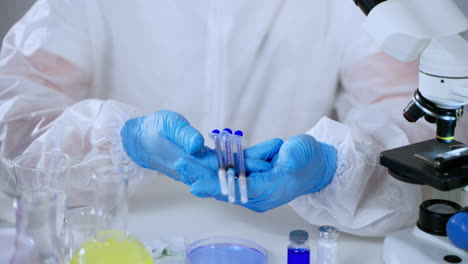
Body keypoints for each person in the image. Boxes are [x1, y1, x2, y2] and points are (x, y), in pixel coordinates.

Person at [0, 0, 466, 237]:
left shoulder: (349, 7)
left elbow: (417, 125)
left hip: (293, 233)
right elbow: (15, 124)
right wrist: (123, 140)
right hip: (122, 239)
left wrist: (335, 167)